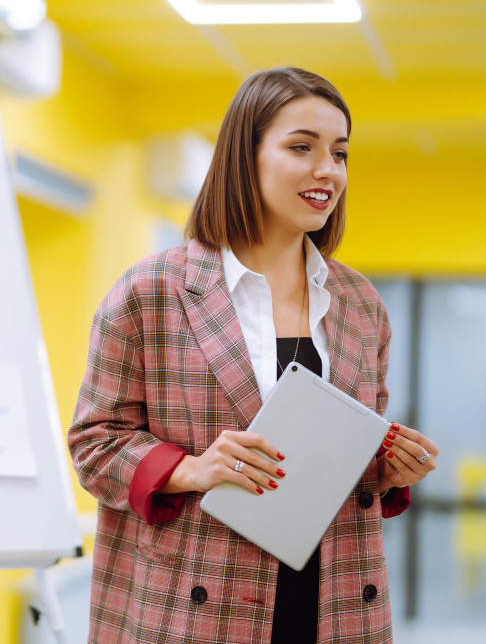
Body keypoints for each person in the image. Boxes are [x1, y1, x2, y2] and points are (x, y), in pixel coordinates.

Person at [68, 66, 440, 643]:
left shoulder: (361, 305)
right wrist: (188, 469)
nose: (328, 171)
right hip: (197, 611)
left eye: (339, 153)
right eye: (302, 147)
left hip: (337, 606)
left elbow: (344, 453)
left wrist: (389, 469)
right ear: (246, 156)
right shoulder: (152, 291)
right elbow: (95, 444)